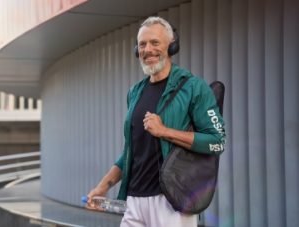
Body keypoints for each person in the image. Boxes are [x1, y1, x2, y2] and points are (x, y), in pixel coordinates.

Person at [86, 16, 225, 227]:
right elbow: (131, 152)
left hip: (173, 202)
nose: (147, 50)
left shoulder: (194, 87)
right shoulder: (135, 92)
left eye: (155, 42)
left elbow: (217, 141)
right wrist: (104, 186)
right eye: (142, 44)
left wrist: (164, 131)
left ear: (172, 46)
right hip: (134, 202)